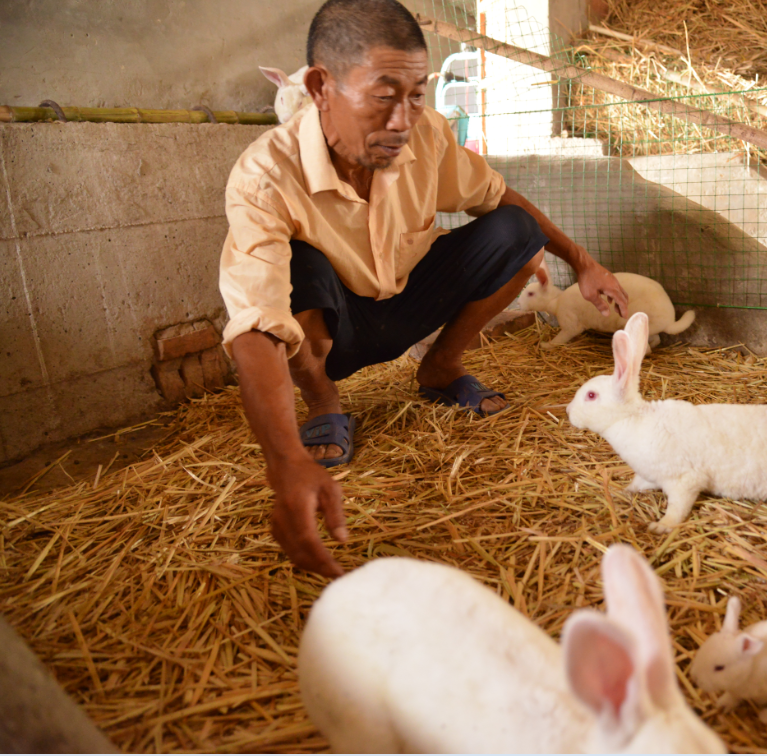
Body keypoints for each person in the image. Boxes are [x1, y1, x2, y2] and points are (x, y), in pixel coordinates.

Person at [219, 0, 628, 577]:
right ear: (319, 87)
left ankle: (440, 367)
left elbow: (498, 197)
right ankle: (325, 405)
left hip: (407, 303)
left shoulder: (425, 138)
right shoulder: (265, 174)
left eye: (416, 94)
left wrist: (583, 263)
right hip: (335, 332)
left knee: (518, 232)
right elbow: (256, 323)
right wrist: (284, 460)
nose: (403, 119)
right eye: (383, 96)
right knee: (301, 263)